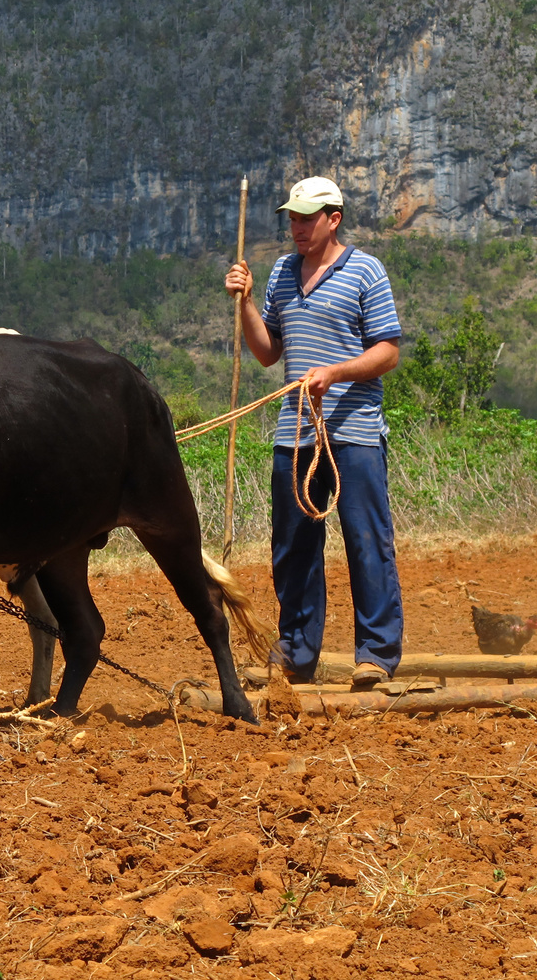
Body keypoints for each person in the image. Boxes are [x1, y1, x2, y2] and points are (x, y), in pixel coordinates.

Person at [224, 176, 404, 689]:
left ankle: (376, 653)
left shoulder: (366, 271)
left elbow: (388, 351)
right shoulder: (281, 273)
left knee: (366, 540)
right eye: (293, 219)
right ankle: (296, 653)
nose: (297, 229)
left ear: (333, 218)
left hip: (355, 431)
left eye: (307, 218)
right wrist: (246, 303)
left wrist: (335, 373)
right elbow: (266, 353)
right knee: (293, 547)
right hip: (295, 432)